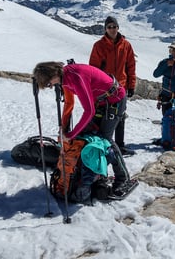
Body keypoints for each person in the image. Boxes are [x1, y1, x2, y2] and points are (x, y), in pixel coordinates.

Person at [32, 61, 131, 203]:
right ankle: (97, 174)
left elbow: (89, 111)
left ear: (53, 74)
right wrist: (64, 129)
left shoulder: (74, 76)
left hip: (115, 100)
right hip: (102, 102)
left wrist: (70, 134)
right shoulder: (64, 79)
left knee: (104, 140)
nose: (51, 86)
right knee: (87, 138)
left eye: (49, 83)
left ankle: (122, 178)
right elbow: (69, 103)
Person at [89, 16, 137, 156]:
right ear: (105, 29)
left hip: (121, 87)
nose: (112, 29)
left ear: (118, 28)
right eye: (109, 27)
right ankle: (101, 145)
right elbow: (93, 68)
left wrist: (131, 85)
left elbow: (131, 66)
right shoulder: (99, 46)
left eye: (114, 26)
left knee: (120, 117)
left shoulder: (126, 45)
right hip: (105, 88)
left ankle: (119, 146)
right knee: (103, 115)